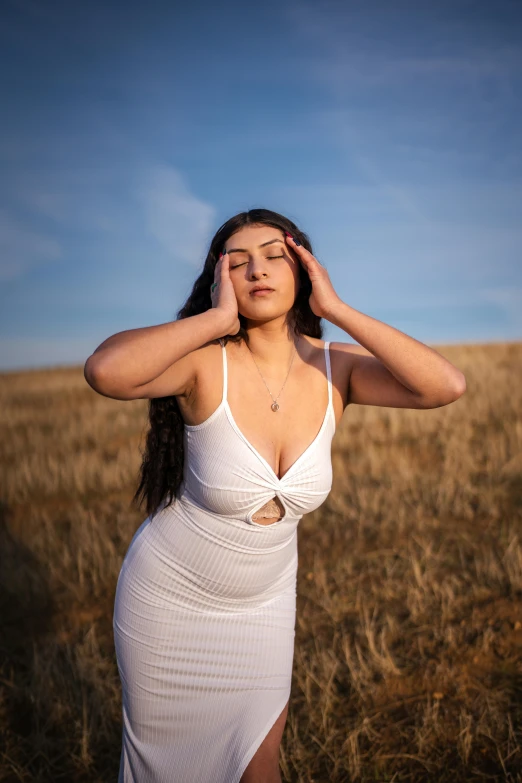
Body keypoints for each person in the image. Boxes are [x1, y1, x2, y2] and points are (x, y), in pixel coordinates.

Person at [84, 208, 466, 783]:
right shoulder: (203, 363)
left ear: (304, 269)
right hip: (170, 603)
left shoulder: (338, 369)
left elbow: (446, 385)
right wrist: (214, 320)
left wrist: (334, 310)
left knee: (259, 769)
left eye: (274, 255)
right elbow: (106, 370)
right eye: (237, 263)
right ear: (220, 282)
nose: (257, 270)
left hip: (263, 606)